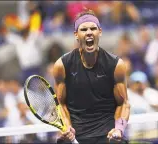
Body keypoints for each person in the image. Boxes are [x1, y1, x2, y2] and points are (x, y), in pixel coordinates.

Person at [53, 9, 130, 144]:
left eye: (93, 28)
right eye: (84, 29)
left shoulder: (116, 65)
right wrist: (67, 127)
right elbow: (60, 103)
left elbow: (123, 103)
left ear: (99, 32)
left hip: (108, 135)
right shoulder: (62, 66)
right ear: (76, 35)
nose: (89, 32)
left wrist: (119, 129)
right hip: (76, 134)